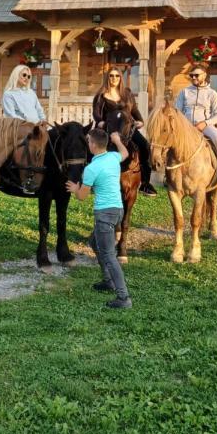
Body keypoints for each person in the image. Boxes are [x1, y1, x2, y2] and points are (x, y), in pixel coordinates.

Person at [66, 128, 132, 309]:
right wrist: (117, 140)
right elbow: (124, 153)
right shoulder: (112, 157)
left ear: (93, 145)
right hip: (118, 210)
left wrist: (74, 189)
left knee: (110, 256)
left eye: (88, 142)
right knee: (94, 242)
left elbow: (81, 196)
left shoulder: (91, 168)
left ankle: (123, 297)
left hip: (105, 214)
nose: (88, 144)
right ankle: (108, 280)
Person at [92, 67, 157, 197]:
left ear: (120, 78)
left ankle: (145, 183)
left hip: (127, 129)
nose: (114, 78)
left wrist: (140, 121)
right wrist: (100, 122)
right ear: (107, 77)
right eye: (111, 76)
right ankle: (93, 180)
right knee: (93, 148)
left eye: (117, 76)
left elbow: (135, 111)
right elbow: (96, 114)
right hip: (109, 129)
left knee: (145, 146)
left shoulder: (127, 93)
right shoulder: (101, 95)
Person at [175, 66, 217, 185]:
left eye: (196, 75)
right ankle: (168, 174)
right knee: (170, 141)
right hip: (186, 127)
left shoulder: (212, 94)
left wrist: (205, 123)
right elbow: (177, 111)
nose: (194, 78)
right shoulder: (184, 92)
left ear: (204, 75)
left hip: (205, 125)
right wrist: (182, 125)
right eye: (191, 75)